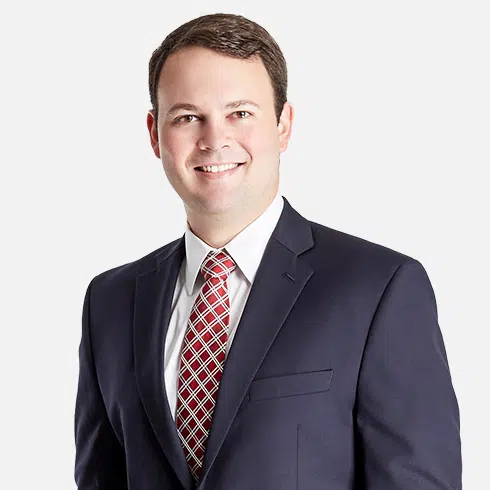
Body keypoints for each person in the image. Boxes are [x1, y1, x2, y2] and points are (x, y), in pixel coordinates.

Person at [74, 12, 462, 490]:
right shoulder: (110, 302)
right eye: (188, 117)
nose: (214, 140)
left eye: (240, 113)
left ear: (283, 125)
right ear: (155, 134)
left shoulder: (378, 289)